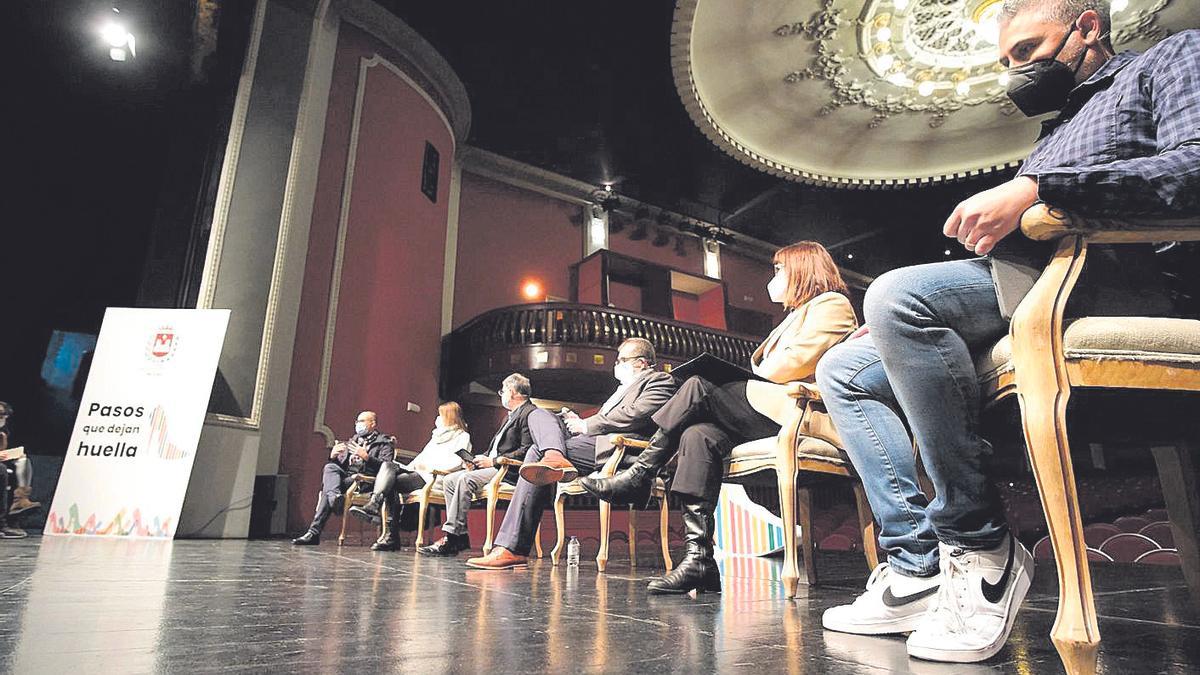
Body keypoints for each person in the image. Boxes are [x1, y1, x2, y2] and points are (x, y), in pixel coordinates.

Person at [815, 1, 1200, 664]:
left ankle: (979, 546)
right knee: (845, 370)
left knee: (896, 296)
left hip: (1125, 279)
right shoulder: (1059, 126)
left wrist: (1039, 188)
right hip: (1035, 281)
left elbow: (1192, 171)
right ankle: (916, 566)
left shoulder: (1172, 58)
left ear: (1087, 25)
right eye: (1005, 62)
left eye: (1026, 50)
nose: (1014, 72)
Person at [581, 241, 857, 594]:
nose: (774, 278)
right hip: (765, 409)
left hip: (797, 413)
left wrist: (753, 374)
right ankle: (699, 560)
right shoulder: (792, 318)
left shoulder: (833, 305)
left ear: (803, 269)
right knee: (698, 435)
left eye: (779, 269)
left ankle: (640, 474)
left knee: (697, 384)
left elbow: (791, 365)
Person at [466, 338, 677, 570]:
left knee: (537, 452)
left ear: (641, 363)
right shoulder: (621, 389)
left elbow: (637, 414)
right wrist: (577, 422)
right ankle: (555, 455)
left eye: (621, 360)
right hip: (592, 442)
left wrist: (586, 425)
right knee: (538, 414)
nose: (616, 365)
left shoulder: (659, 380)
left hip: (620, 448)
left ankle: (512, 548)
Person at [417, 373, 554, 562]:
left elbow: (527, 450)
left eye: (503, 391)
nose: (502, 395)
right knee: (450, 480)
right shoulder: (509, 417)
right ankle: (460, 536)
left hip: (508, 471)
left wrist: (494, 461)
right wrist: (477, 460)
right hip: (492, 467)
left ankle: (451, 536)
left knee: (465, 479)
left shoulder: (529, 413)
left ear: (513, 392)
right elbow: (495, 449)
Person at [349, 402, 474, 551]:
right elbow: (420, 459)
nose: (437, 419)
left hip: (434, 477)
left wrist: (427, 467)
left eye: (440, 415)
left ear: (448, 416)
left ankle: (389, 534)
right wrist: (405, 468)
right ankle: (377, 506)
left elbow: (456, 462)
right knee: (388, 467)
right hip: (418, 474)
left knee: (392, 482)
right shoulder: (436, 437)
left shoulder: (462, 436)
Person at [292, 411, 395, 546]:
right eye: (357, 422)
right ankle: (335, 498)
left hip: (365, 480)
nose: (358, 424)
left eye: (362, 421)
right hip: (347, 477)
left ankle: (314, 532)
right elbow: (340, 465)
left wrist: (367, 457)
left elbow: (386, 467)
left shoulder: (384, 442)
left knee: (326, 492)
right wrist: (333, 456)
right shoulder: (353, 441)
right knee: (330, 467)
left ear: (373, 424)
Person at [1, 402, 39, 519]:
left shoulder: (4, 433)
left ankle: (21, 499)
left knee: (22, 460)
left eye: (3, 414)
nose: (2, 417)